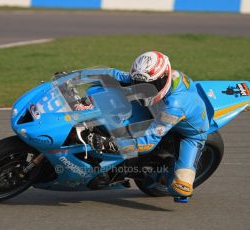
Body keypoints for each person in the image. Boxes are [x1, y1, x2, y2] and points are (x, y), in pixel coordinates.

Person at [81, 51, 209, 199]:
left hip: (190, 133)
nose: (144, 89)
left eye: (150, 86)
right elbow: (111, 74)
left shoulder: (175, 106)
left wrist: (112, 145)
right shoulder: (149, 76)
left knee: (180, 188)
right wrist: (75, 76)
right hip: (156, 108)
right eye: (139, 84)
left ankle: (165, 177)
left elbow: (148, 143)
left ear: (163, 78)